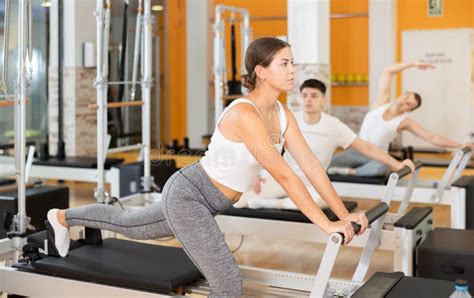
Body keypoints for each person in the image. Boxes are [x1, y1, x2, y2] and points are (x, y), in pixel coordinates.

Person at [46, 37, 368, 297]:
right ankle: (62, 218)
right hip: (189, 195)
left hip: (207, 200)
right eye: (284, 63)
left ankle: (61, 218)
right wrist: (325, 225)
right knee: (227, 284)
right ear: (261, 71)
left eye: (292, 62)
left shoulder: (283, 114)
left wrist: (342, 215)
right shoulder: (245, 114)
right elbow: (283, 174)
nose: (292, 70)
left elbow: (310, 165)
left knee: (129, 224)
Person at [235, 79, 414, 210]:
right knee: (238, 202)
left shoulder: (333, 125)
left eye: (314, 96)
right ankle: (270, 201)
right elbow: (262, 145)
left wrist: (397, 164)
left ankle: (272, 204)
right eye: (304, 95)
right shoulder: (289, 118)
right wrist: (256, 173)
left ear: (324, 101)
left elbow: (366, 147)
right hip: (283, 178)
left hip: (312, 183)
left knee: (321, 200)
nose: (308, 100)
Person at [328, 61, 474, 177]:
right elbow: (388, 71)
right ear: (403, 94)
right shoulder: (382, 102)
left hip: (377, 156)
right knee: (326, 163)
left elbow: (432, 137)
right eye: (406, 97)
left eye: (409, 104)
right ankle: (351, 170)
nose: (405, 101)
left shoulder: (404, 122)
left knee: (383, 167)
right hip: (356, 150)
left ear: (408, 110)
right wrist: (413, 64)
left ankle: (352, 173)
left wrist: (460, 145)